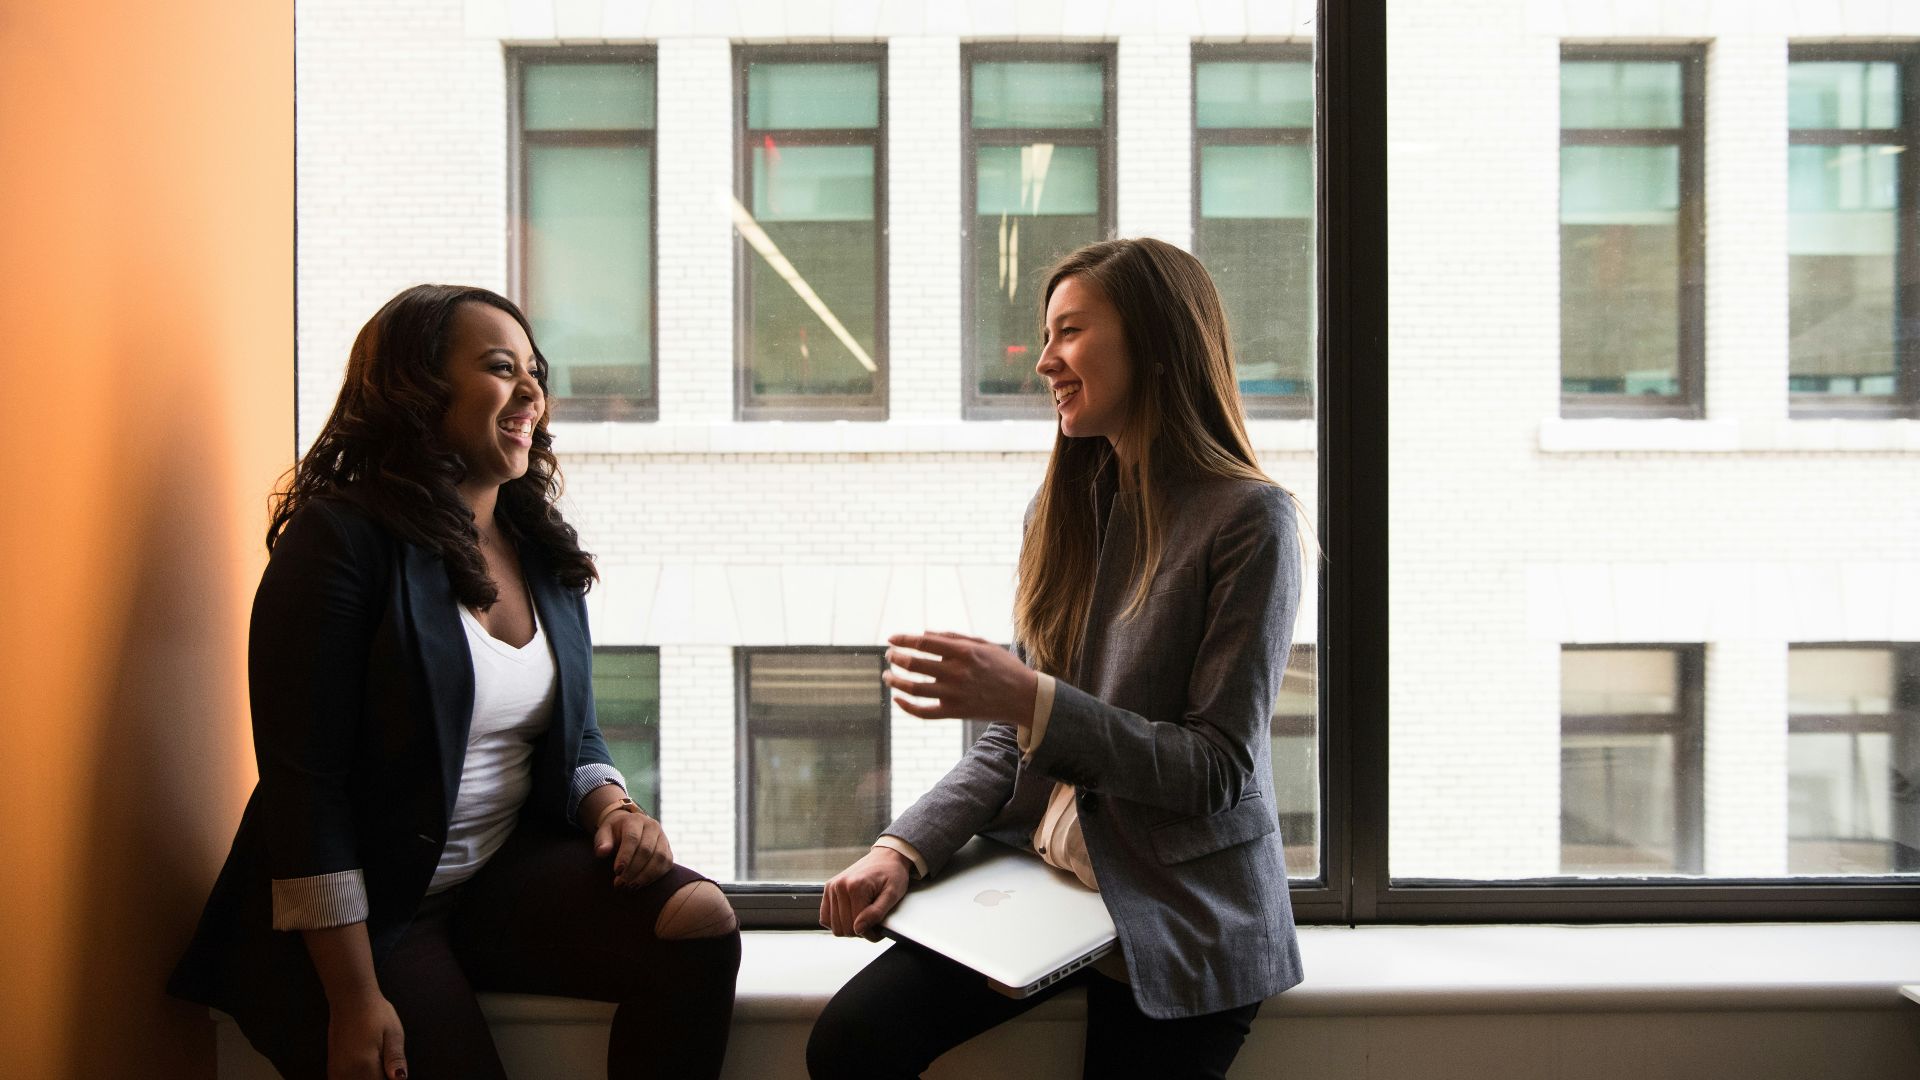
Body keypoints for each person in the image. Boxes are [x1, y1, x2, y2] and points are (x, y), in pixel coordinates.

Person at [168, 285, 740, 1080]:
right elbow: (307, 791)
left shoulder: (537, 546)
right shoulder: (339, 540)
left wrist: (614, 804)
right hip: (365, 921)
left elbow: (569, 729)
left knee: (698, 919)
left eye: (535, 370)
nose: (533, 391)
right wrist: (354, 1000)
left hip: (490, 880)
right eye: (503, 368)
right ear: (417, 388)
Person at [808, 238, 1306, 1079]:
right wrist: (901, 849)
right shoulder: (1066, 506)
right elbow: (1012, 743)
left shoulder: (1252, 521)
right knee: (849, 1045)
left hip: (1181, 911)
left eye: (1069, 332)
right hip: (1048, 890)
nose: (1044, 361)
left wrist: (1033, 700)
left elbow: (1217, 768)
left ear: (1155, 344)